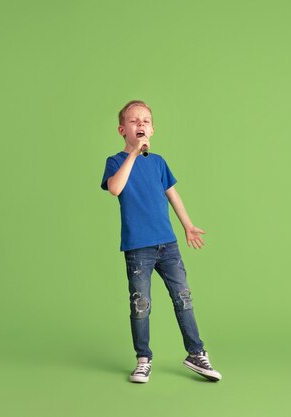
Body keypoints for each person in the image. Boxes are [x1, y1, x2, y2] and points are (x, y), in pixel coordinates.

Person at [100, 100, 222, 383]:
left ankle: (196, 352)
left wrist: (188, 225)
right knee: (141, 304)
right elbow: (115, 188)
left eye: (145, 120)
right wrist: (133, 153)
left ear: (153, 129)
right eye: (134, 121)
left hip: (167, 244)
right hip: (138, 247)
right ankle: (143, 359)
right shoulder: (116, 162)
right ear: (122, 129)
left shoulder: (159, 163)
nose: (140, 124)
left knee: (183, 298)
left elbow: (173, 194)